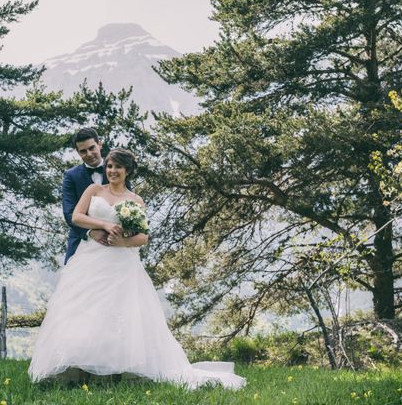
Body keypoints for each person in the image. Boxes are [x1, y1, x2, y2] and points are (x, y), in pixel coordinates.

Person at [28, 148, 246, 390]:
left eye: (117, 168)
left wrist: (122, 242)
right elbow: (77, 217)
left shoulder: (135, 200)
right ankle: (78, 370)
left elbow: (143, 237)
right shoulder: (94, 190)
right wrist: (103, 225)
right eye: (109, 166)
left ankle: (114, 371)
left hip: (121, 263)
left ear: (127, 171)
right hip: (91, 257)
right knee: (84, 311)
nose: (112, 171)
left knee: (119, 314)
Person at [62, 127, 110, 264]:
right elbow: (69, 213)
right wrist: (90, 232)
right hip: (81, 241)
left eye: (92, 148)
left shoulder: (117, 169)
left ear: (99, 145)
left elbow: (128, 202)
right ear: (78, 153)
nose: (89, 154)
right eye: (83, 151)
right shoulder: (71, 176)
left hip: (113, 241)